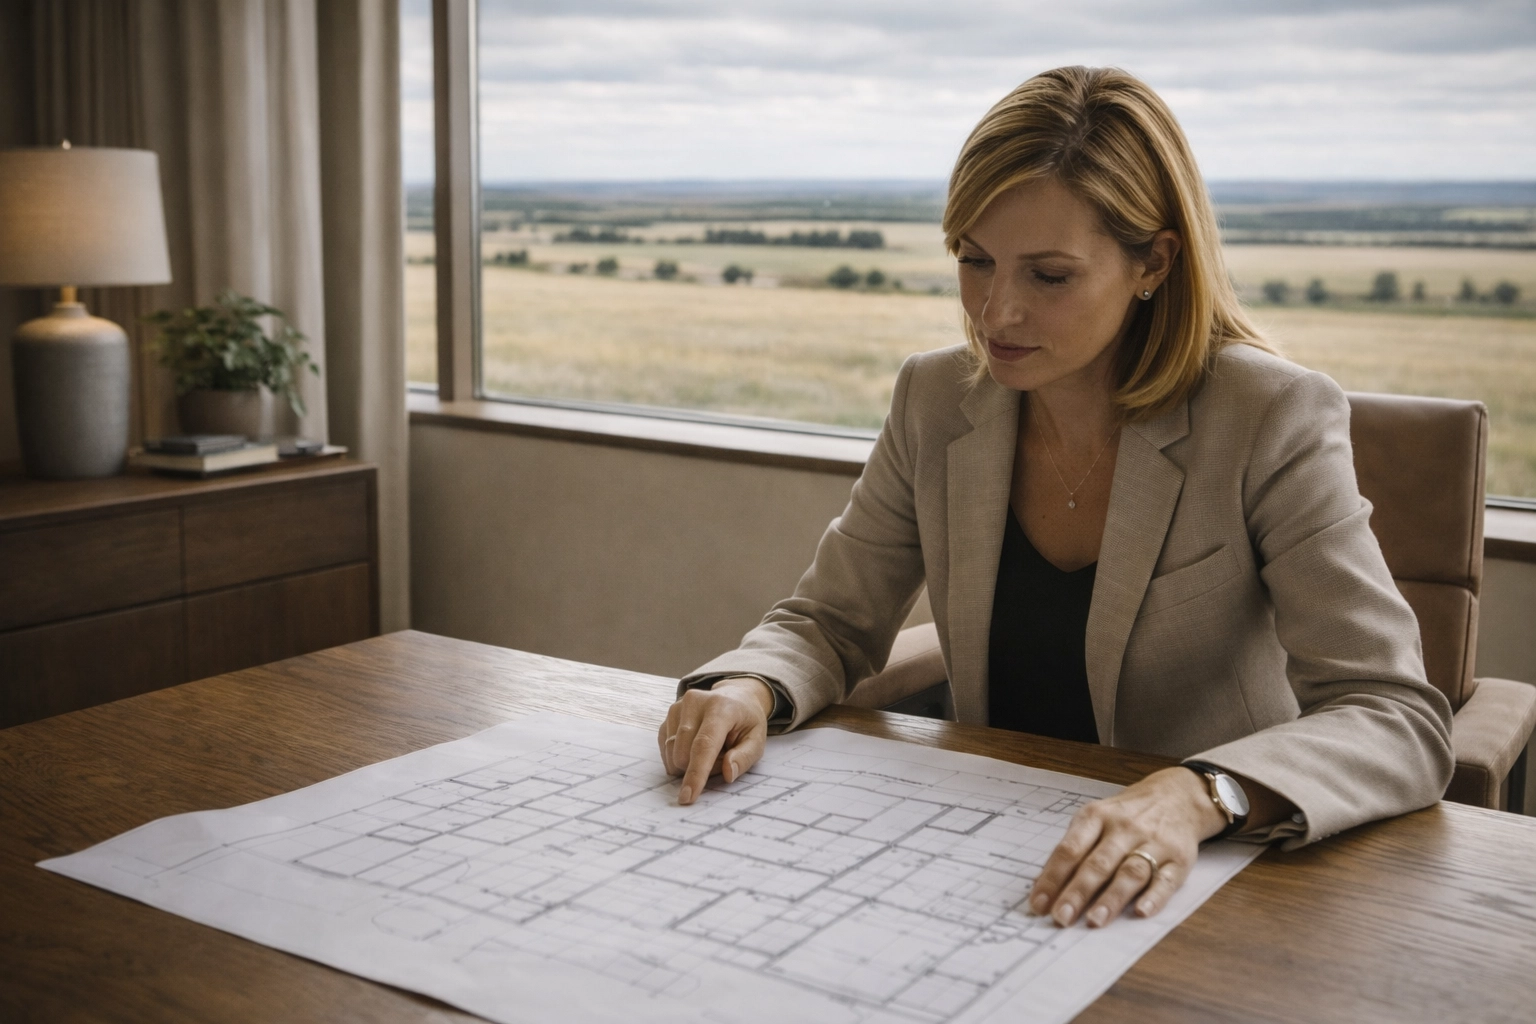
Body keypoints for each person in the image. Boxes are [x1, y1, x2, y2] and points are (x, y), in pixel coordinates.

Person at [656, 66, 1452, 930]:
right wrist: (747, 685)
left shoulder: (1267, 416)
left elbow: (1394, 714)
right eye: (974, 260)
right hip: (992, 863)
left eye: (1049, 276)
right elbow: (829, 622)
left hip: (1207, 879)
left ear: (1153, 260)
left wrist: (1198, 794)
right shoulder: (935, 399)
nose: (995, 312)